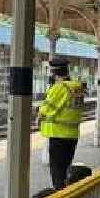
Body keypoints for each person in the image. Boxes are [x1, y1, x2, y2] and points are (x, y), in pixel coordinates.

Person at [37, 58, 85, 190]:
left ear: (54, 73)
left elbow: (46, 110)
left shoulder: (59, 88)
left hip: (58, 135)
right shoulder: (77, 87)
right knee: (65, 169)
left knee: (57, 173)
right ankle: (64, 193)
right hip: (72, 135)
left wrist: (38, 118)